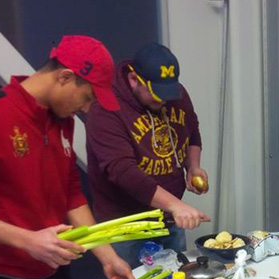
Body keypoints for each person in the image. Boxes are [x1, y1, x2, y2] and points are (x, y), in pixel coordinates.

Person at [0, 35, 134, 279]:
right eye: (86, 97)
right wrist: (27, 240)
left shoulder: (62, 122)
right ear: (64, 77)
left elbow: (72, 193)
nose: (86, 108)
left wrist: (107, 256)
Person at [86, 42, 210, 267]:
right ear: (134, 79)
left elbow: (192, 131)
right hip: (126, 227)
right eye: (155, 94)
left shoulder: (175, 94)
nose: (162, 101)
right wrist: (175, 205)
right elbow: (122, 172)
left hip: (167, 220)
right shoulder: (106, 108)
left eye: (167, 94)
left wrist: (193, 167)